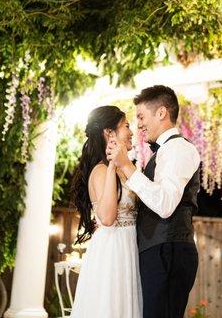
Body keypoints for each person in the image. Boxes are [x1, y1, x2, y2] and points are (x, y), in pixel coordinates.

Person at [107, 85, 201, 318]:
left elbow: (165, 204)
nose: (138, 125)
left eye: (141, 116)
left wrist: (128, 167)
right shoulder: (163, 152)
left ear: (161, 113)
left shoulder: (179, 149)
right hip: (157, 252)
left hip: (168, 251)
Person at [70, 105, 142, 318]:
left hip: (130, 246)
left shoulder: (128, 169)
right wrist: (112, 165)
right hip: (113, 250)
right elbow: (108, 218)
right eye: (126, 126)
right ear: (109, 133)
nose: (131, 132)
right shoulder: (101, 171)